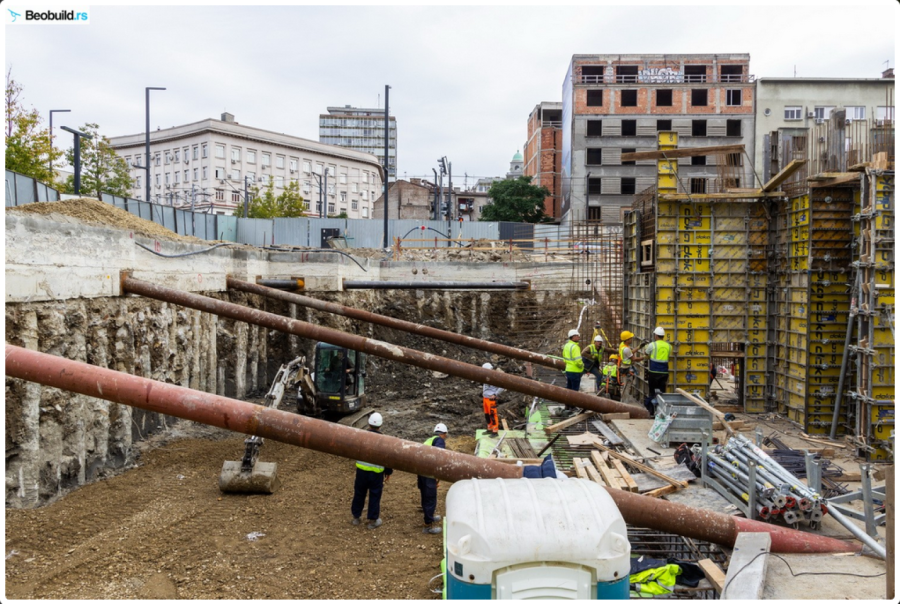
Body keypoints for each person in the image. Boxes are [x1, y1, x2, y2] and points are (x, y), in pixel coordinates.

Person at [351, 413, 393, 529]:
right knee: (375, 495)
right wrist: (388, 472)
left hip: (361, 472)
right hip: (376, 474)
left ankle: (356, 517)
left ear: (369, 423)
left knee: (359, 493)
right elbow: (387, 458)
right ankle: (372, 521)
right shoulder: (384, 439)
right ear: (380, 425)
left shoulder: (362, 436)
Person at [417, 423, 447, 535]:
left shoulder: (429, 440)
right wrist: (438, 474)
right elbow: (439, 456)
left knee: (425, 496)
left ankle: (429, 516)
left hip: (421, 472)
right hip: (428, 473)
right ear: (444, 434)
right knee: (430, 498)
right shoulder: (439, 441)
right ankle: (428, 525)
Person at [636, 327, 671, 416]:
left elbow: (646, 355)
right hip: (664, 372)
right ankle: (661, 412)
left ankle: (651, 411)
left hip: (654, 372)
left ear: (655, 335)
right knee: (662, 393)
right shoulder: (669, 346)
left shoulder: (652, 345)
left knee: (652, 392)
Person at [482, 363, 504, 436]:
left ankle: (495, 431)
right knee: (487, 415)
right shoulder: (486, 377)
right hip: (485, 398)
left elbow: (502, 386)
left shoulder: (495, 377)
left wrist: (495, 394)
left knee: (492, 415)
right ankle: (490, 428)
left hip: (491, 399)